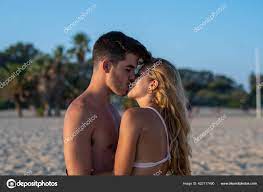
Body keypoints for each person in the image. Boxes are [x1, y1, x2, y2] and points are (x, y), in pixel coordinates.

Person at [63, 31, 151, 175]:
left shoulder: (112, 109)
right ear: (107, 66)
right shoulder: (79, 112)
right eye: (128, 69)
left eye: (134, 71)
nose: (133, 77)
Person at [114, 58, 192, 175]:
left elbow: (119, 176)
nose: (132, 78)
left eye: (138, 75)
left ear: (152, 84)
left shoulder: (134, 116)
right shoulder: (167, 121)